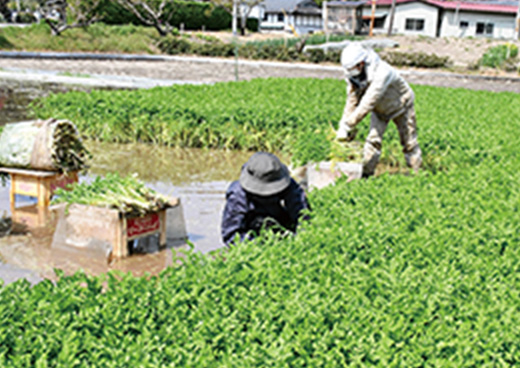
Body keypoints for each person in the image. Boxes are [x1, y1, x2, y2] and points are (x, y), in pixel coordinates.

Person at [336, 42, 422, 178]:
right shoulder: (352, 75)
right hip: (380, 111)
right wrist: (344, 123)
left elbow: (369, 101)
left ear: (361, 64)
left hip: (401, 105)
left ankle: (417, 174)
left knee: (409, 142)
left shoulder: (382, 72)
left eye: (352, 68)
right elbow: (352, 99)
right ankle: (366, 176)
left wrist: (349, 124)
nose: (350, 72)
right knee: (372, 142)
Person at [221, 152, 310, 246]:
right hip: (251, 229)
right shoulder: (238, 194)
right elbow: (231, 234)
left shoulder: (286, 183)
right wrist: (258, 245)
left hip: (279, 223)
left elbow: (302, 215)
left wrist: (297, 240)